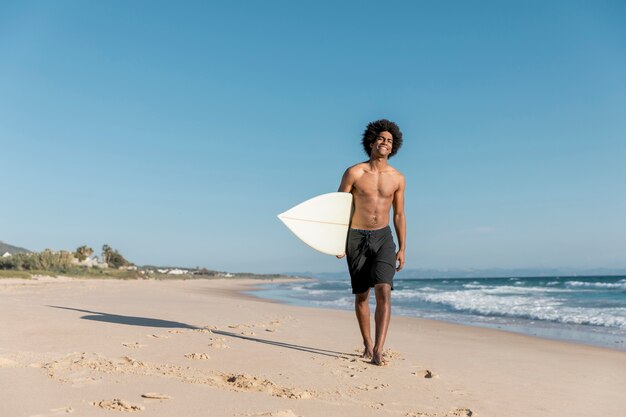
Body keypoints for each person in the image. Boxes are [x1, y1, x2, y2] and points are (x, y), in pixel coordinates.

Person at [337, 119, 406, 366]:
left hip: (384, 237)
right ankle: (367, 344)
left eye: (389, 140)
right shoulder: (354, 172)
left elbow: (399, 214)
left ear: (393, 146)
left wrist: (402, 248)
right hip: (356, 236)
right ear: (372, 141)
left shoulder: (397, 178)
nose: (384, 143)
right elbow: (338, 208)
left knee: (384, 289)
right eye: (381, 138)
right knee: (362, 296)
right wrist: (336, 241)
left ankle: (378, 349)